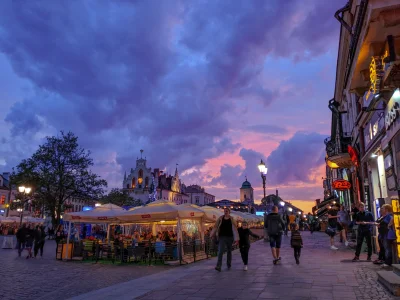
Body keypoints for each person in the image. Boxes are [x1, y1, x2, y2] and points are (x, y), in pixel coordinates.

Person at [211, 208, 239, 272]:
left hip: (230, 237)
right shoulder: (220, 218)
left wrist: (236, 238)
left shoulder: (232, 219)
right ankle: (218, 266)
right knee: (220, 251)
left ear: (229, 212)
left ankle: (228, 264)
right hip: (222, 237)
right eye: (224, 211)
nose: (225, 212)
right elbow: (215, 226)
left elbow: (235, 229)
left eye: (227, 211)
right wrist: (212, 234)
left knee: (229, 251)